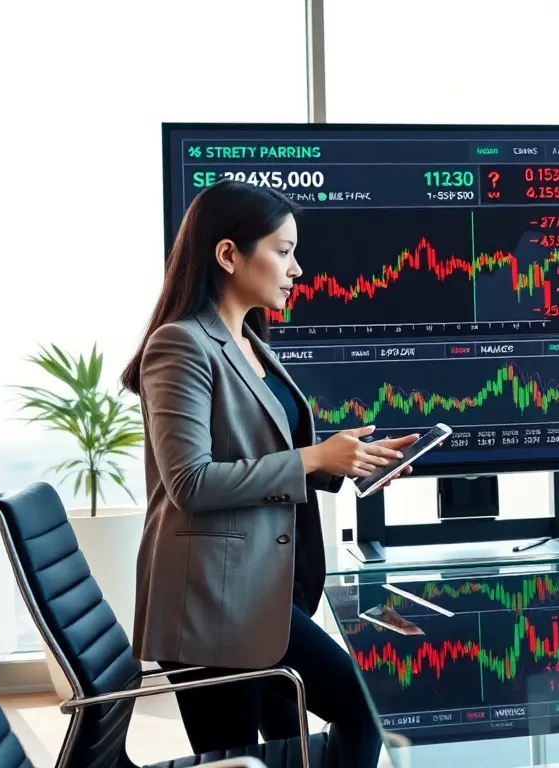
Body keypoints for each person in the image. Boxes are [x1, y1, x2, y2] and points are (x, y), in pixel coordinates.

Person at [120, 179, 412, 767]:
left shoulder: (249, 340)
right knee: (345, 718)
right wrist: (311, 458)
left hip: (268, 593)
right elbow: (191, 483)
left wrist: (346, 462)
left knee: (293, 745)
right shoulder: (180, 345)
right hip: (213, 605)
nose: (298, 269)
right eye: (283, 251)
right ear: (228, 255)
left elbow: (263, 447)